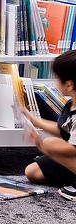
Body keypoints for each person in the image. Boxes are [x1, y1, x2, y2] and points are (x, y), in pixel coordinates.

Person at [23, 50, 76, 199]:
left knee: (50, 144)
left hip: (73, 155)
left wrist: (42, 144)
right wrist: (34, 120)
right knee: (32, 172)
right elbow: (63, 130)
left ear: (69, 85)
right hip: (70, 158)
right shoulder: (71, 104)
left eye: (58, 78)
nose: (55, 82)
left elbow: (73, 149)